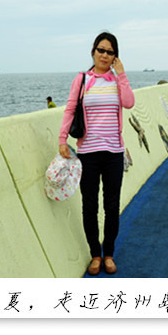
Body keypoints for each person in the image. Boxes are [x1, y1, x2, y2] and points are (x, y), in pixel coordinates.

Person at [58, 32, 135, 276]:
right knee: (89, 206)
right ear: (93, 51)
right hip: (88, 153)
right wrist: (62, 139)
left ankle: (108, 253)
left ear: (115, 57)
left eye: (110, 52)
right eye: (101, 50)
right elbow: (71, 109)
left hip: (114, 152)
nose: (104, 55)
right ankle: (95, 254)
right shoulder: (82, 79)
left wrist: (121, 75)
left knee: (111, 206)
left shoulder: (116, 80)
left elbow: (129, 102)